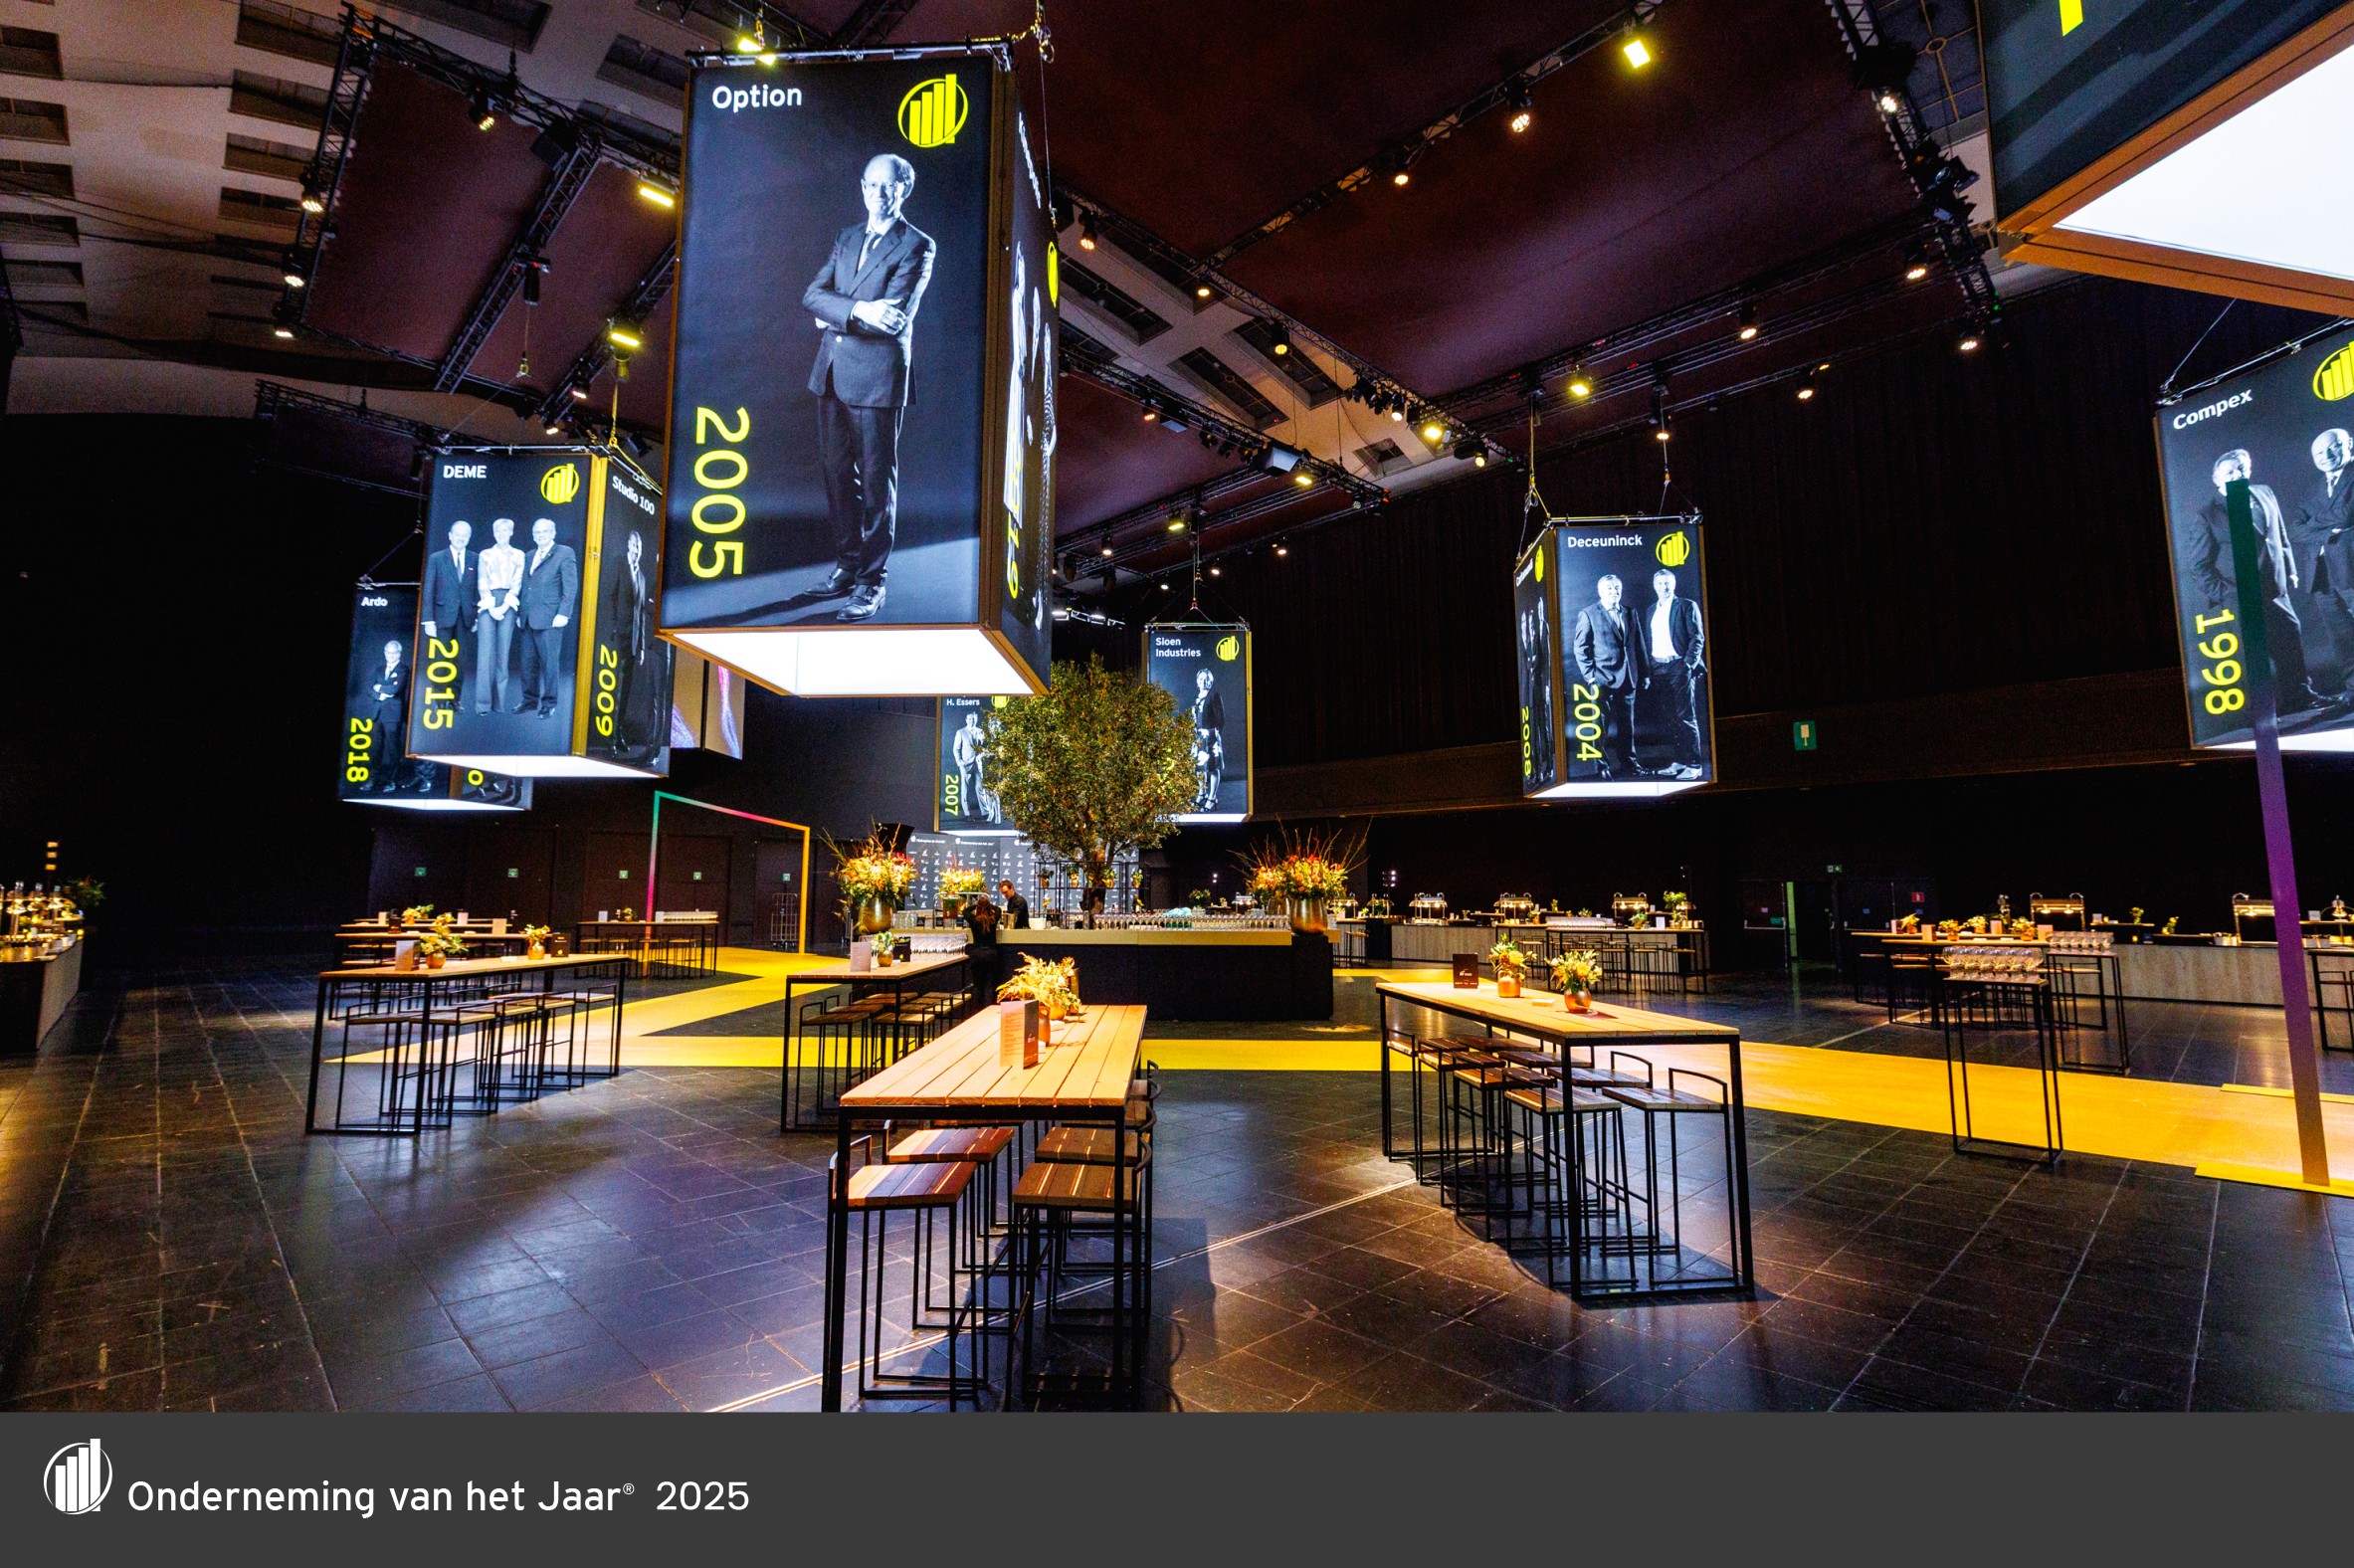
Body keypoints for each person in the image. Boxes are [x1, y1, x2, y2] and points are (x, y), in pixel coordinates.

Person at [803, 152, 937, 624]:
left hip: (878, 378)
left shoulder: (917, 245)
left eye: (889, 185)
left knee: (878, 485)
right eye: (872, 184)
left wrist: (834, 314)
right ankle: (847, 565)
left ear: (905, 189)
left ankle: (871, 582)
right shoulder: (846, 237)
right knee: (837, 475)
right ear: (862, 187)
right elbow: (811, 295)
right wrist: (859, 310)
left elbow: (894, 317)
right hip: (833, 372)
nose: (879, 193)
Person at [2182, 449, 2322, 714]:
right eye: (2230, 472)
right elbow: (2199, 566)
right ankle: (2263, 714)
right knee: (2256, 653)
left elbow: (2279, 533)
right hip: (2242, 595)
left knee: (2290, 637)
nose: (2237, 475)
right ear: (2216, 479)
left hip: (2275, 586)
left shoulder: (2264, 492)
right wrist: (2229, 595)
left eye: (2241, 469)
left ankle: (2300, 697)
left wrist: (2290, 569)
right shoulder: (2208, 515)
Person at [1571, 572, 1645, 777]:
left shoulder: (1630, 612)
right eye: (1609, 588)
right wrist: (1591, 677)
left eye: (1617, 587)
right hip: (1602, 680)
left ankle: (1629, 764)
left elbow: (1639, 645)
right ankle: (1602, 767)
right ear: (1600, 591)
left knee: (1627, 726)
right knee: (1599, 727)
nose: (1614, 591)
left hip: (1628, 678)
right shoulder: (1588, 614)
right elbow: (1580, 648)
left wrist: (1645, 673)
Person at [2296, 429, 2354, 691]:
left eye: (2333, 447)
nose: (2326, 456)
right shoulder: (2314, 489)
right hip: (2321, 575)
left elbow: (2347, 514)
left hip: (2350, 566)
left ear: (2349, 444)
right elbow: (2295, 530)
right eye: (2319, 452)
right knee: (2343, 639)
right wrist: (2330, 531)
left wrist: (2313, 525)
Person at [1641, 567, 1706, 779]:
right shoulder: (1651, 610)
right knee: (1671, 718)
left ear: (1674, 584)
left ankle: (1695, 765)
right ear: (1654, 586)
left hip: (1679, 665)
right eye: (1660, 583)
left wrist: (1688, 664)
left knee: (1685, 716)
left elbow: (1697, 637)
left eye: (1667, 583)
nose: (1664, 587)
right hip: (1658, 668)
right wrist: (1649, 668)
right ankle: (1680, 761)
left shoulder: (1686, 605)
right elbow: (1649, 640)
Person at [518, 515, 578, 719]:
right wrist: (521, 613)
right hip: (528, 617)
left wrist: (563, 613)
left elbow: (570, 587)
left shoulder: (564, 553)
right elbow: (526, 585)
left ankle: (549, 703)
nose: (540, 535)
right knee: (528, 663)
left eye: (545, 531)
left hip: (551, 618)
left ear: (553, 533)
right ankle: (529, 700)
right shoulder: (529, 555)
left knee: (549, 664)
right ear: (533, 535)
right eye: (537, 532)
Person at [602, 528, 656, 756]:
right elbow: (609, 597)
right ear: (628, 546)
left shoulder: (641, 577)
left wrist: (641, 646)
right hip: (617, 638)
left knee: (624, 692)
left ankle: (617, 734)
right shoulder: (618, 564)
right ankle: (610, 738)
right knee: (613, 689)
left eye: (639, 548)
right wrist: (613, 628)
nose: (636, 551)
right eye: (634, 546)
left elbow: (641, 614)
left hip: (633, 643)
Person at [473, 516, 525, 716]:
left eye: (505, 531)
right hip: (488, 601)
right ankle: (483, 705)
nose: (501, 534)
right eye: (498, 531)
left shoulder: (519, 555)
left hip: (509, 602)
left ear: (511, 532)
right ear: (494, 533)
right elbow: (482, 581)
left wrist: (504, 606)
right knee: (485, 654)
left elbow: (518, 582)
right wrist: (491, 606)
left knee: (503, 654)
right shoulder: (485, 554)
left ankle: (499, 704)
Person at [422, 518, 474, 689]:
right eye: (458, 534)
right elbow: (428, 589)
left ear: (469, 537)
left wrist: (476, 617)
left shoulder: (475, 558)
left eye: (465, 535)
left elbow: (477, 590)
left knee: (461, 659)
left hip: (465, 617)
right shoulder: (436, 558)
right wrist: (428, 620)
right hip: (441, 616)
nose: (461, 538)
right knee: (440, 658)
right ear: (450, 536)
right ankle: (440, 697)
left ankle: (455, 698)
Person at [367, 638, 409, 793]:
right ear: (384, 653)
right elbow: (369, 688)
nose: (390, 656)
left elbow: (395, 690)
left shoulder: (403, 670)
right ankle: (373, 779)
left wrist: (379, 687)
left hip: (393, 715)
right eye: (388, 652)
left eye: (394, 653)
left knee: (392, 750)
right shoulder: (378, 669)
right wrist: (379, 695)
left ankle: (391, 781)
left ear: (399, 654)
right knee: (375, 749)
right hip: (377, 714)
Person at [1190, 667, 1227, 811]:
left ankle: (1212, 798)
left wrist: (1214, 735)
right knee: (1199, 767)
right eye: (1200, 679)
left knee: (1212, 767)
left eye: (1205, 679)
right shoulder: (1196, 697)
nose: (1202, 681)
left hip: (1210, 737)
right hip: (1198, 737)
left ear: (1210, 681)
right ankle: (1202, 794)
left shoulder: (1214, 696)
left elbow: (1221, 719)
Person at [963, 892, 1002, 999]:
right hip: (991, 952)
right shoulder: (993, 919)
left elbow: (965, 911)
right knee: (990, 984)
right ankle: (988, 1007)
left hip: (977, 953)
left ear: (978, 908)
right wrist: (988, 906)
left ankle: (976, 1008)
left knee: (977, 984)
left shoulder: (973, 919)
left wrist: (976, 905)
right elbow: (998, 909)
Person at [951, 709, 987, 821]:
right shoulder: (960, 732)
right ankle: (967, 814)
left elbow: (984, 747)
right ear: (966, 720)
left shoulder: (981, 731)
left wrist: (982, 754)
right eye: (970, 719)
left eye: (974, 719)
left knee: (980, 788)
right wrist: (959, 762)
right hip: (965, 764)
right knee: (965, 789)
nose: (972, 721)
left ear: (976, 719)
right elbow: (956, 749)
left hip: (978, 763)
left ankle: (985, 812)